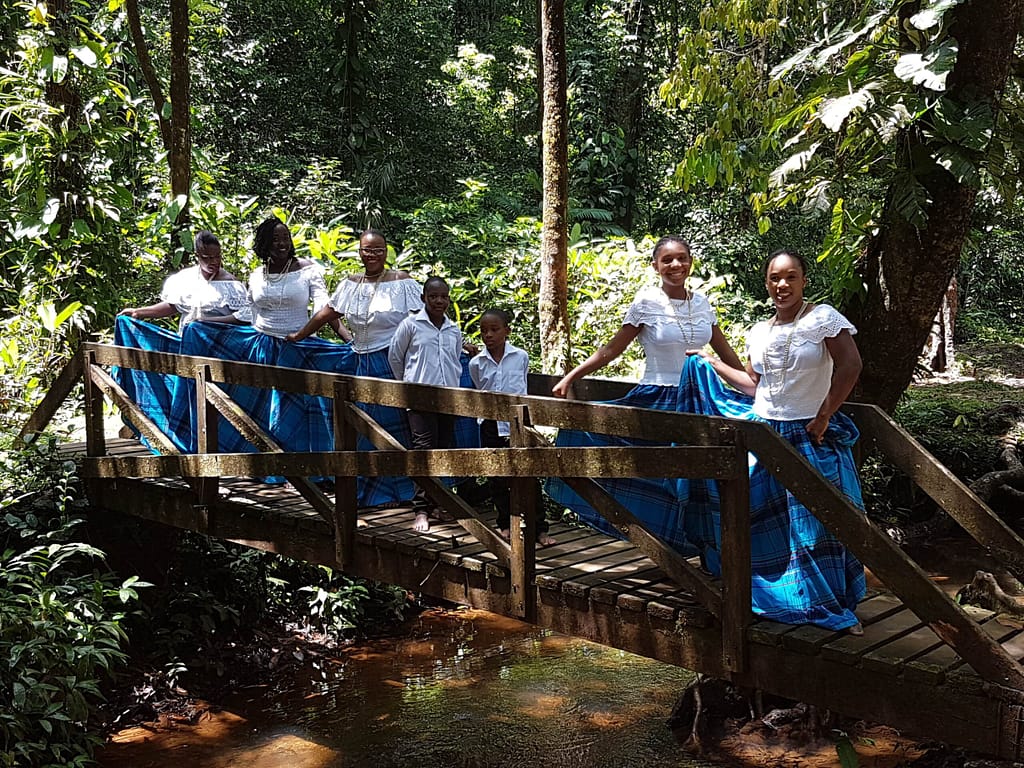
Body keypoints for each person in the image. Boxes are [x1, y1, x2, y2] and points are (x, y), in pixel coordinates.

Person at [693, 249, 866, 633]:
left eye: (789, 277)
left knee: (815, 525)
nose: (781, 285)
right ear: (767, 282)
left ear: (804, 280)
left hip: (808, 433)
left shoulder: (823, 318)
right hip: (764, 433)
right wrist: (713, 363)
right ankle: (781, 600)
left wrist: (824, 415)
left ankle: (828, 602)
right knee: (764, 524)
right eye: (774, 278)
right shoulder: (760, 330)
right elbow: (754, 385)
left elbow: (851, 365)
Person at [546, 235, 743, 552]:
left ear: (690, 261)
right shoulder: (647, 303)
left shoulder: (703, 303)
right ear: (656, 266)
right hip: (659, 399)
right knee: (660, 477)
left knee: (705, 479)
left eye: (681, 258)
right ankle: (666, 550)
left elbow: (725, 353)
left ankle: (709, 553)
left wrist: (751, 383)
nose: (675, 265)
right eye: (667, 260)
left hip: (702, 399)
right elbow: (613, 349)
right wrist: (572, 376)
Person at [287, 229, 424, 506]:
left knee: (392, 428)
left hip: (390, 362)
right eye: (367, 250)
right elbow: (328, 312)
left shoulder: (403, 282)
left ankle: (403, 492)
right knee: (360, 430)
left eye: (378, 250)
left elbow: (425, 318)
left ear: (386, 252)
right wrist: (299, 336)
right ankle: (366, 491)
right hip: (358, 361)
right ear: (359, 252)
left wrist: (456, 344)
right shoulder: (350, 283)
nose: (372, 255)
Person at [469, 309, 555, 546]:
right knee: (497, 476)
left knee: (528, 475)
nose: (489, 335)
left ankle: (539, 527)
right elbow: (479, 388)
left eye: (494, 329)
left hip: (519, 423)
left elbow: (522, 385)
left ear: (507, 330)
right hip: (490, 424)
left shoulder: (520, 356)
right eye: (484, 330)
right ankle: (505, 523)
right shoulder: (476, 362)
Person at [387, 277, 464, 532]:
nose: (439, 301)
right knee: (423, 451)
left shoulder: (453, 329)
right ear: (424, 298)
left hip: (448, 398)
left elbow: (455, 360)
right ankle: (421, 509)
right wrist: (409, 386)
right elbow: (396, 357)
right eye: (433, 296)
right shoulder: (410, 325)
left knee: (442, 452)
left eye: (443, 296)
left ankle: (438, 504)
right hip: (419, 399)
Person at [119, 231, 249, 332]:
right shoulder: (186, 279)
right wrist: (139, 312)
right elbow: (172, 306)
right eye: (207, 258)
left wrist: (205, 322)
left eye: (217, 257)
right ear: (197, 256)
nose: (214, 262)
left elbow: (242, 318)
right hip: (187, 341)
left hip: (220, 342)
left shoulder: (232, 285)